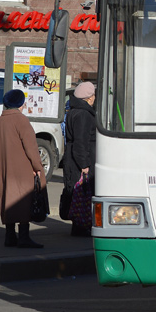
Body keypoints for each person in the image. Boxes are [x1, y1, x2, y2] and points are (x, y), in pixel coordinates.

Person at [0, 89, 46, 248]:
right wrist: (37, 167)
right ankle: (24, 237)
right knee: (24, 200)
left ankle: (10, 236)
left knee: (8, 199)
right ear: (20, 104)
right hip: (22, 168)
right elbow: (31, 147)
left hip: (4, 167)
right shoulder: (21, 120)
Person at [63, 81, 96, 237]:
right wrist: (84, 164)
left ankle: (78, 226)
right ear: (89, 98)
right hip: (79, 161)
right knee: (82, 193)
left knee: (77, 194)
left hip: (72, 158)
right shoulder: (84, 114)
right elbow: (81, 142)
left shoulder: (74, 111)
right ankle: (81, 227)